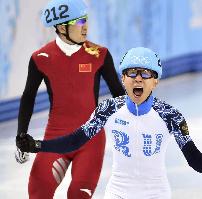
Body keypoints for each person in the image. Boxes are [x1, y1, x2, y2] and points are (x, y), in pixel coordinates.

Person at [17, 47, 202, 199]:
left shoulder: (169, 115)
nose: (138, 78)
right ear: (123, 79)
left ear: (156, 81)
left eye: (145, 73)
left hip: (156, 193)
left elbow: (192, 156)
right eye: (131, 73)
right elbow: (75, 140)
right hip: (118, 192)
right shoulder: (109, 109)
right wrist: (38, 146)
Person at [15, 0, 125, 198]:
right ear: (61, 27)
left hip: (90, 140)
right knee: (38, 191)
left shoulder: (99, 54)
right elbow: (29, 97)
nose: (86, 27)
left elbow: (119, 94)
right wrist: (21, 135)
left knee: (78, 195)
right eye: (80, 22)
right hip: (56, 137)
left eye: (86, 20)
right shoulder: (41, 57)